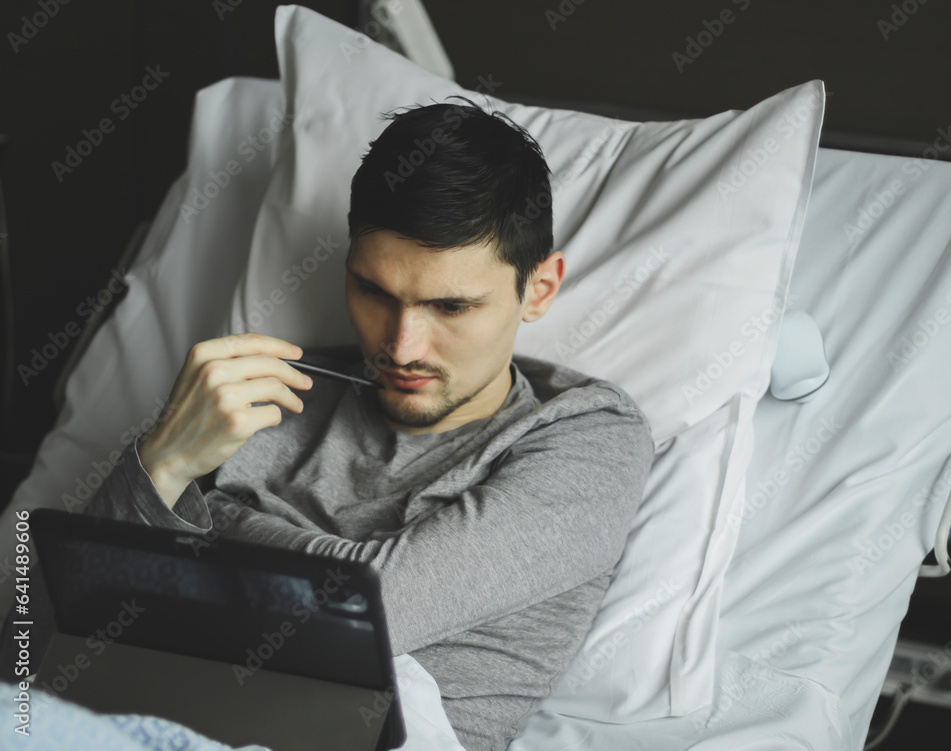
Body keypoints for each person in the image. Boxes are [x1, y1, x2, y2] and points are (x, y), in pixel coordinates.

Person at [81, 98, 656, 751]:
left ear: (539, 289)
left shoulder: (585, 432)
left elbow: (370, 605)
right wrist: (160, 464)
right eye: (375, 292)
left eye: (450, 305)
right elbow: (62, 608)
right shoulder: (263, 390)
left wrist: (217, 518)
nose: (403, 345)